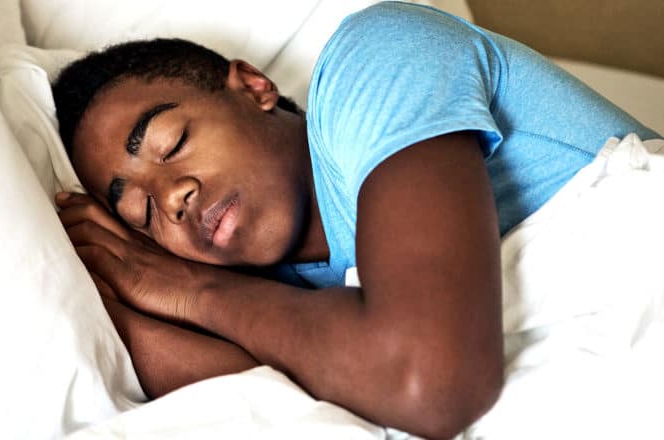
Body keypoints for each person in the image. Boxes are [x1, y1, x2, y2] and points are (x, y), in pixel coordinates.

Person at [51, 2, 659, 438]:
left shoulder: (373, 60)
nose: (173, 198)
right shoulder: (276, 300)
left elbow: (431, 381)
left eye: (172, 140)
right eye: (142, 212)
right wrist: (110, 286)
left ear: (254, 87)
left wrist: (192, 290)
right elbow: (264, 411)